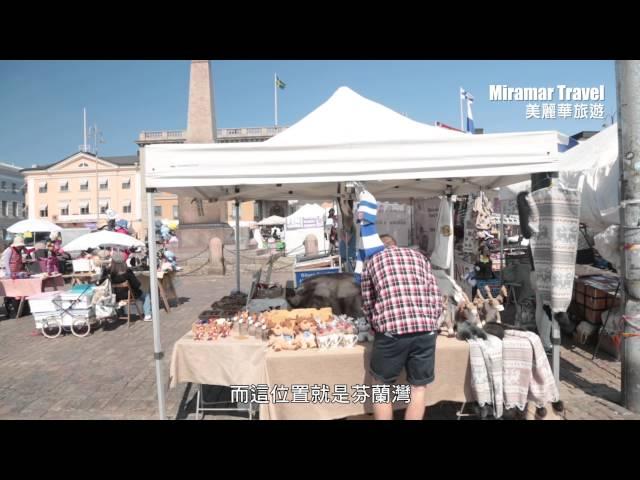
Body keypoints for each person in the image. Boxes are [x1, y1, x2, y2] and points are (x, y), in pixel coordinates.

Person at [361, 234, 443, 420]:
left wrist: (375, 325)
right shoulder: (419, 257)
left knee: (381, 386)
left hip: (392, 332)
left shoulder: (372, 260)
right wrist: (431, 323)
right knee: (418, 388)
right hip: (426, 329)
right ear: (396, 245)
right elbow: (436, 296)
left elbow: (367, 302)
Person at [97, 251, 152, 321]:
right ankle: (147, 315)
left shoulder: (109, 272)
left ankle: (120, 313)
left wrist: (104, 269)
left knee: (123, 292)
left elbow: (101, 280)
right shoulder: (128, 272)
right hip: (129, 295)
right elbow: (137, 285)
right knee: (146, 295)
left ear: (112, 262)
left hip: (116, 296)